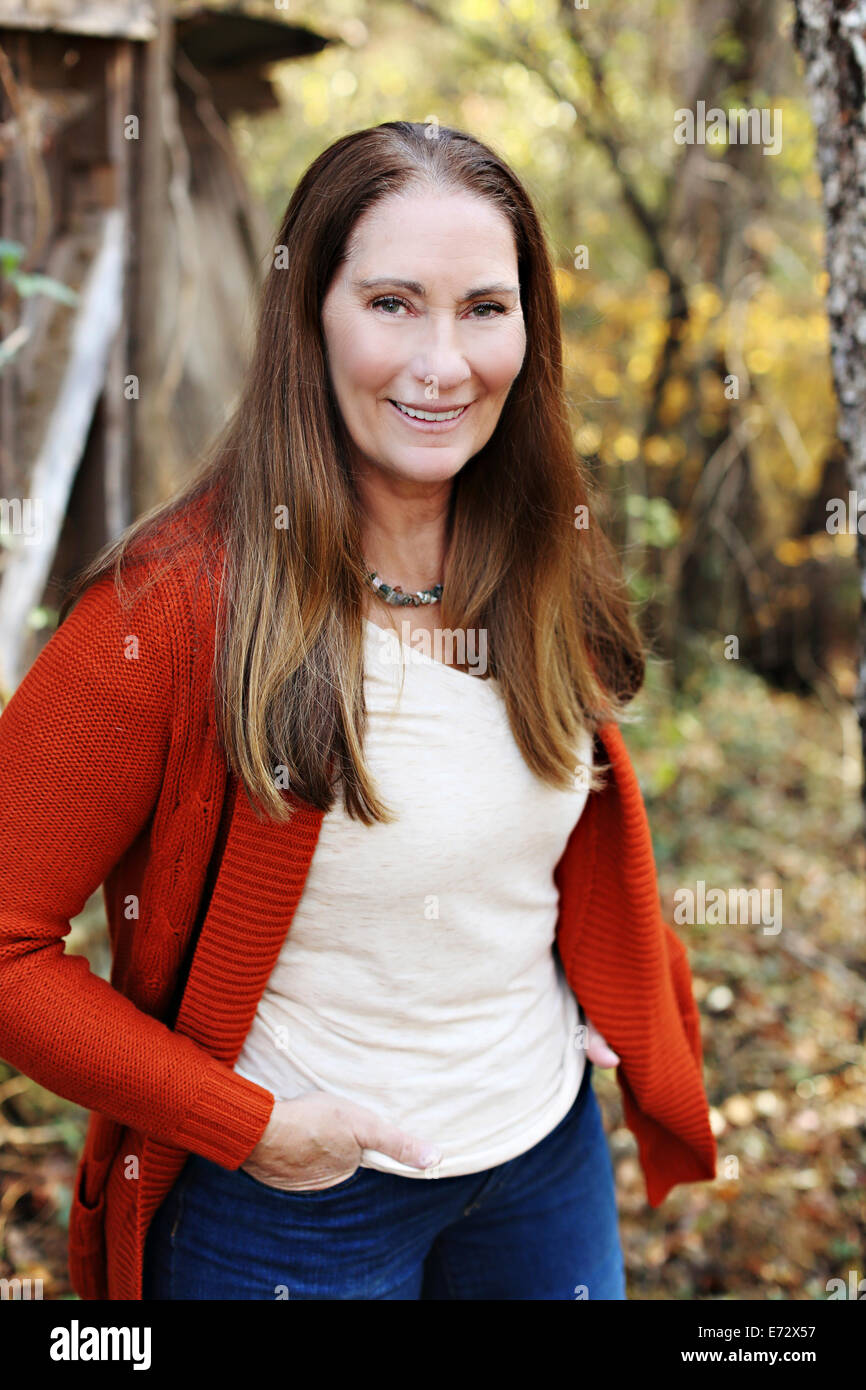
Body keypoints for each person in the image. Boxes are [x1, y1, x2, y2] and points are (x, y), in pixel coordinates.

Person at [0, 121, 716, 1302]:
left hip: (539, 1160)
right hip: (287, 1212)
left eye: (484, 308)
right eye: (392, 301)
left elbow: (546, 831)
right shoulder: (171, 614)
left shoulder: (539, 558)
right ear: (310, 318)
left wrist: (617, 989)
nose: (443, 362)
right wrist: (246, 1121)